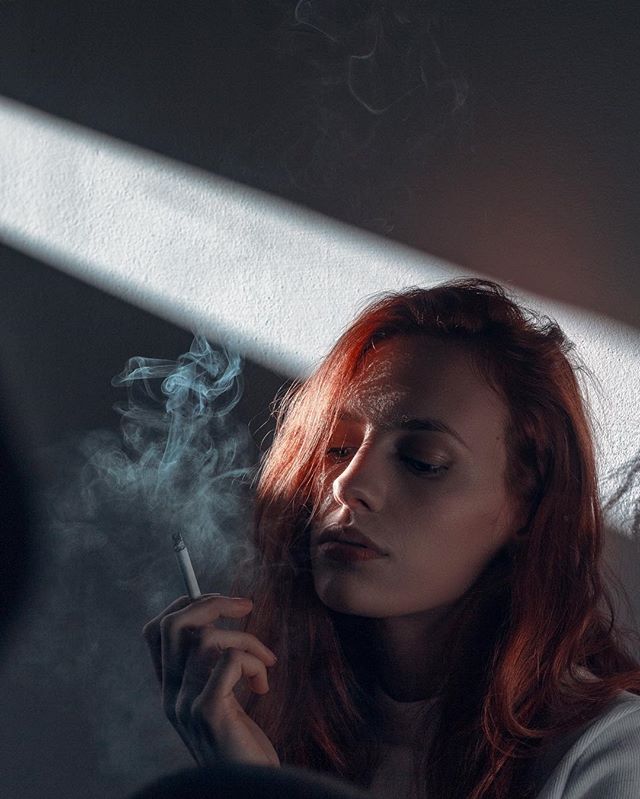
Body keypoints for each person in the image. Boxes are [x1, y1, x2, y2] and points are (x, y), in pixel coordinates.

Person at [142, 278, 640, 799]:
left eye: (422, 461)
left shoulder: (608, 755)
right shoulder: (277, 726)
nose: (348, 484)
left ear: (528, 509)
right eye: (336, 448)